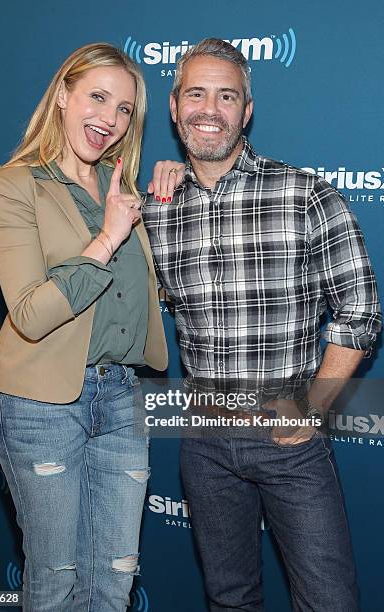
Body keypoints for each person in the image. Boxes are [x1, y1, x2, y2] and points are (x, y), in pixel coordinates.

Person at [143, 38, 381, 611]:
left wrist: (314, 405)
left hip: (289, 438)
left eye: (227, 96)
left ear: (247, 111)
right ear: (174, 106)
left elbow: (361, 308)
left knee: (330, 601)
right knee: (229, 598)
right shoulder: (153, 207)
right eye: (196, 94)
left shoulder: (304, 194)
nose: (210, 109)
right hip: (202, 438)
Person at [0, 42, 182, 612]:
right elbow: (29, 313)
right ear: (64, 95)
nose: (110, 120)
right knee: (56, 580)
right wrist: (107, 239)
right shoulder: (15, 186)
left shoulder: (123, 190)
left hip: (121, 396)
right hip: (40, 404)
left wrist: (170, 180)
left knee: (114, 580)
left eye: (124, 110)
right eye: (97, 97)